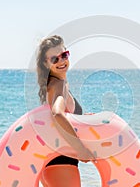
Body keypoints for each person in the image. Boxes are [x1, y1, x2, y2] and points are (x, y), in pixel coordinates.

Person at [36, 35, 95, 187]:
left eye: (64, 55)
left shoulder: (57, 82)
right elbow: (57, 113)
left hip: (54, 163)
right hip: (62, 164)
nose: (61, 61)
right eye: (54, 59)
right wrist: (80, 149)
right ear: (46, 63)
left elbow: (64, 116)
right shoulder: (58, 84)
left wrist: (81, 120)